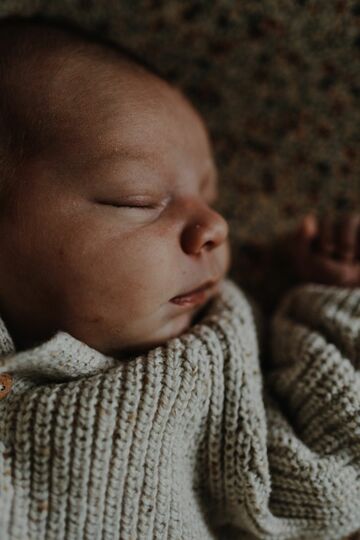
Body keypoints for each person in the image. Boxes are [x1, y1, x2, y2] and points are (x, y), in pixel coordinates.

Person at [0, 17, 359, 540]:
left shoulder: (209, 353)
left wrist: (334, 304)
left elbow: (331, 479)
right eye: (139, 199)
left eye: (209, 199)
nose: (215, 225)